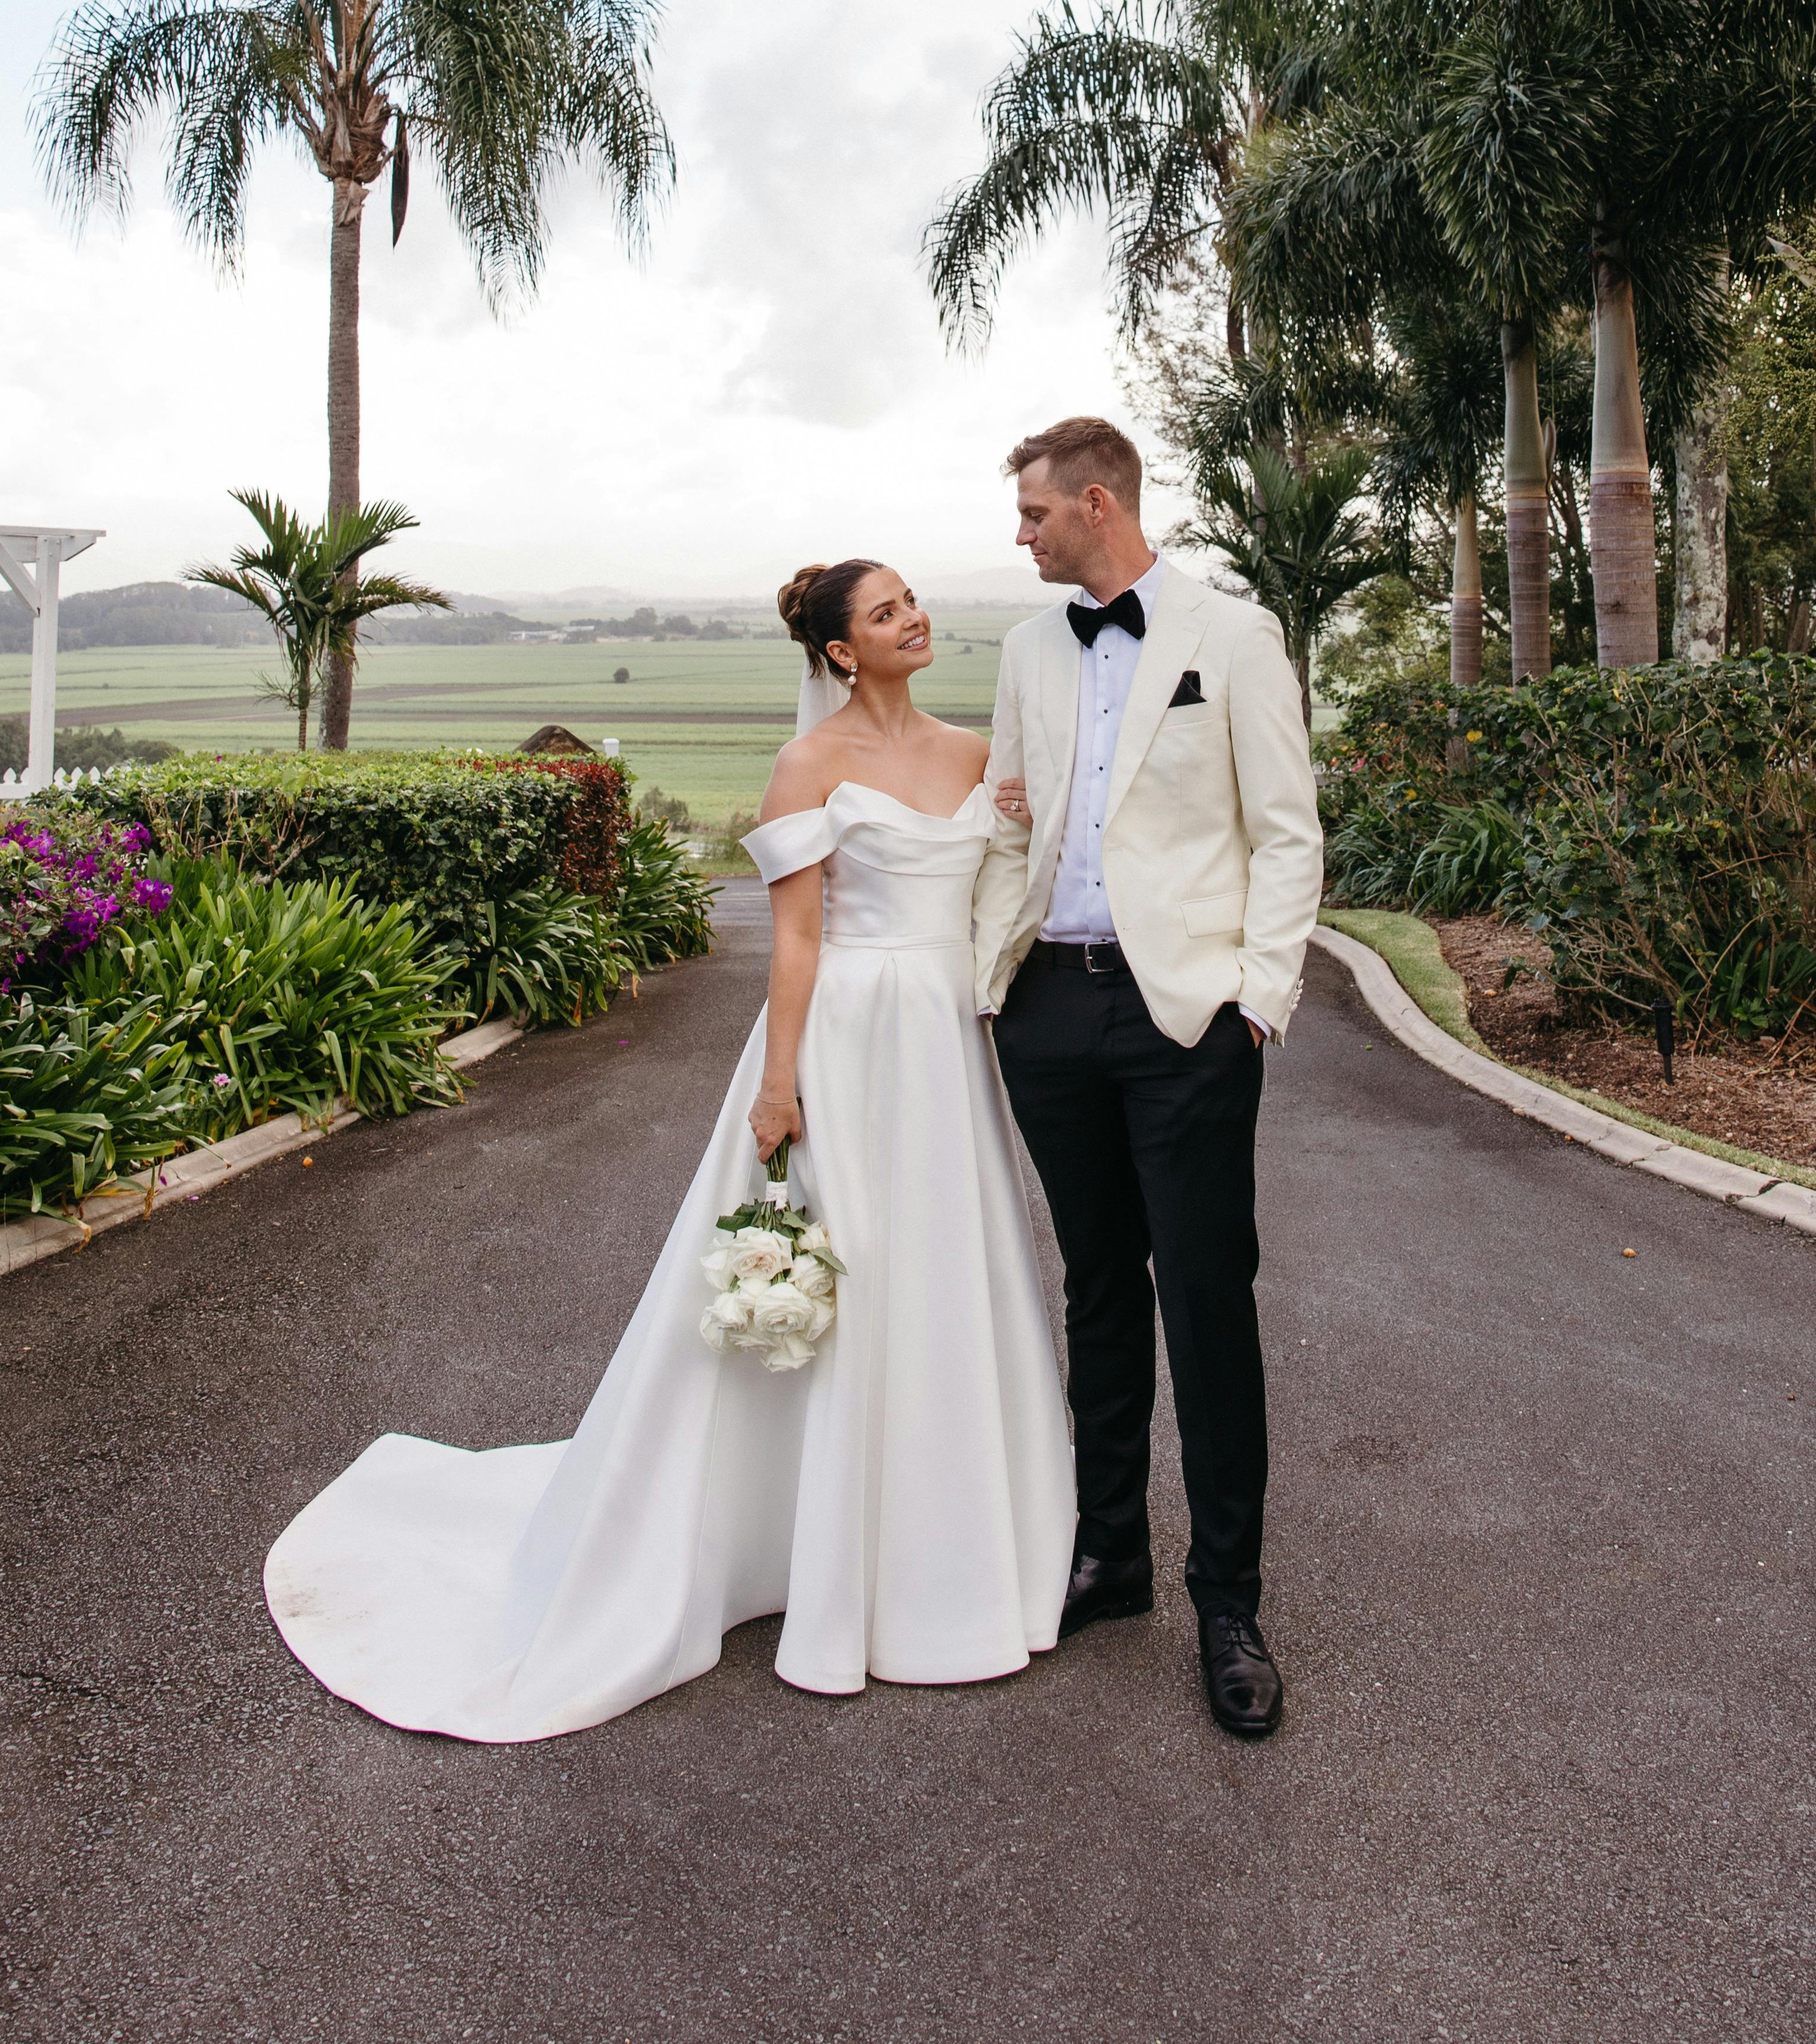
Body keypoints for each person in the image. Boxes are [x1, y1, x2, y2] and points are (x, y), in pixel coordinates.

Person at [263, 559, 1074, 1737]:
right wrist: (780, 1084)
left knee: (942, 1275)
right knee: (837, 1273)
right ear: (841, 650)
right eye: (887, 610)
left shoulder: (972, 752)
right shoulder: (810, 764)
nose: (914, 619)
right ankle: (785, 1540)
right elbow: (794, 942)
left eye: (913, 601)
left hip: (947, 1046)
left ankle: (942, 1545)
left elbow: (1012, 881)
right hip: (845, 1042)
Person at [972, 417, 1323, 1741]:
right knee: (1098, 1286)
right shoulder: (1022, 649)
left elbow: (1287, 833)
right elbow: (1012, 815)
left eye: (1034, 512)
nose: (1022, 532)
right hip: (1050, 1011)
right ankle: (1109, 1552)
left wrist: (1255, 1003)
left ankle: (1227, 1598)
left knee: (1206, 1298)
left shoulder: (1232, 637)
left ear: (1097, 502)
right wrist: (993, 975)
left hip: (1187, 1022)